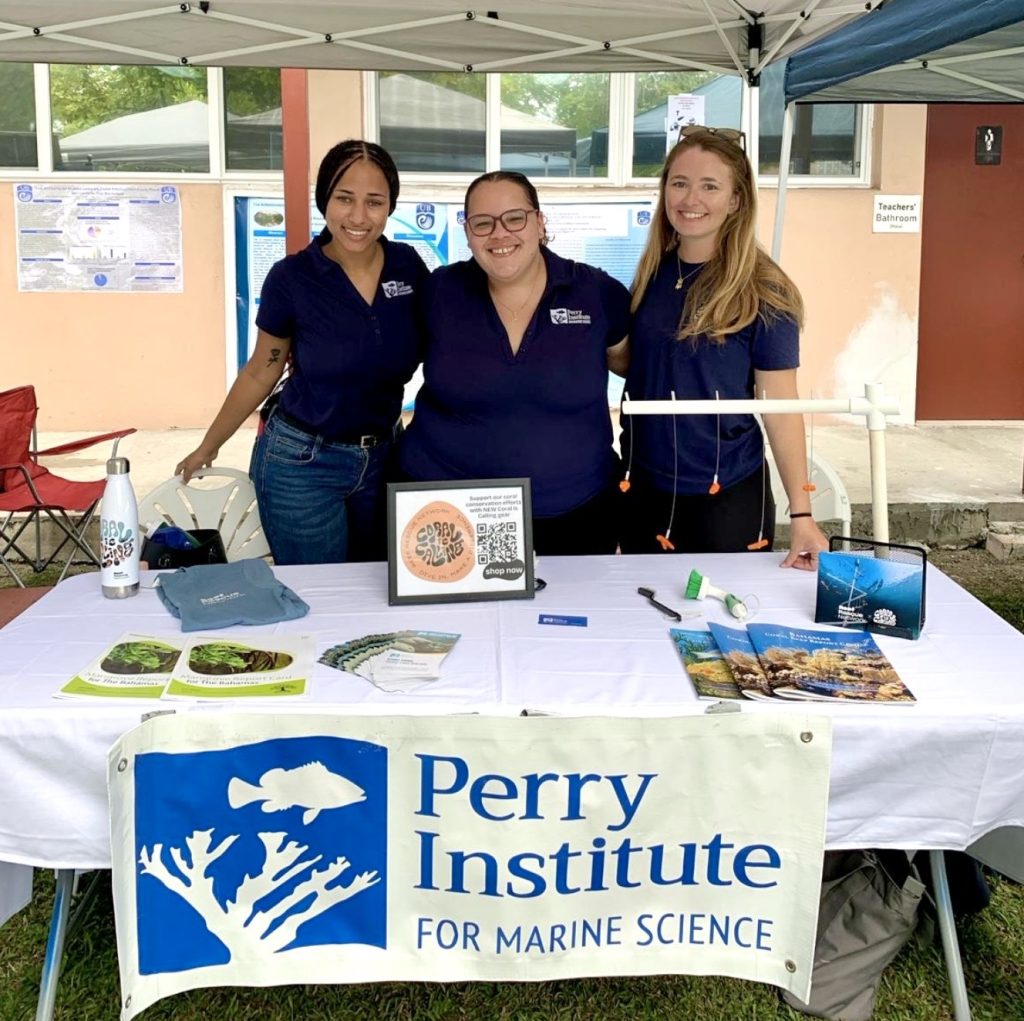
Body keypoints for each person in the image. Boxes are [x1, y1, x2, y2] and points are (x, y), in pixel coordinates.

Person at [175, 140, 426, 565]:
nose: (359, 217)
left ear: (390, 206)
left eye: (374, 202)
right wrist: (209, 444)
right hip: (301, 464)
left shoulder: (407, 267)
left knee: (376, 591)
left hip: (383, 460)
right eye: (344, 199)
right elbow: (261, 370)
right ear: (325, 199)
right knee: (322, 596)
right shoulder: (293, 278)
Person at [619, 126, 829, 569]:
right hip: (644, 489)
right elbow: (642, 367)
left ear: (736, 200)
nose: (690, 199)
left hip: (726, 497)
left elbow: (781, 407)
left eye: (709, 186)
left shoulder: (765, 291)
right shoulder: (650, 277)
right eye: (679, 183)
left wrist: (803, 512)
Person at [398, 171, 629, 557]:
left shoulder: (596, 293)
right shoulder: (439, 293)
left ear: (540, 222)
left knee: (572, 617)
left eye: (515, 218)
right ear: (468, 232)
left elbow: (632, 365)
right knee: (454, 620)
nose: (500, 234)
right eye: (483, 223)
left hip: (576, 513)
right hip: (450, 513)